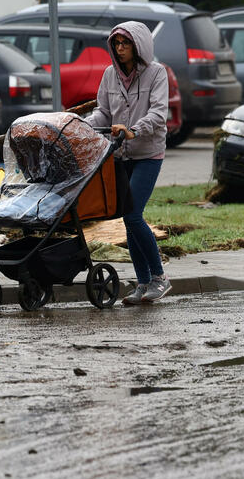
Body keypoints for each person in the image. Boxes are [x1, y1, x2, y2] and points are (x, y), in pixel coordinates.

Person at [87, 20, 171, 304]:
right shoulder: (110, 74)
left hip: (148, 153)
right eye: (117, 44)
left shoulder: (156, 73)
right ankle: (143, 283)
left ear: (138, 46)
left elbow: (159, 114)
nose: (120, 49)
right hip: (121, 154)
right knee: (129, 219)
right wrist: (82, 126)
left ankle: (159, 278)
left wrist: (134, 129)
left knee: (133, 215)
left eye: (126, 44)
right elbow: (103, 112)